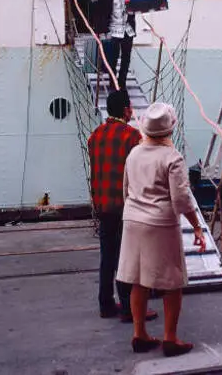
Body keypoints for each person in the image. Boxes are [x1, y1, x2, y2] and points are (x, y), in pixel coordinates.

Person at [116, 102, 206, 357]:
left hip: (133, 221)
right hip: (160, 224)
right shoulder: (172, 157)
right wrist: (197, 227)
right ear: (170, 130)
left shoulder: (134, 153)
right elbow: (181, 199)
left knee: (138, 280)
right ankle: (170, 338)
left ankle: (140, 333)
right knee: (172, 282)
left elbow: (125, 190)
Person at [88, 90, 157, 324]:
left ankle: (106, 304)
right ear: (127, 109)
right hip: (125, 206)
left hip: (102, 204)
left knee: (107, 255)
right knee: (127, 257)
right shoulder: (132, 136)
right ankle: (129, 308)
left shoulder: (95, 135)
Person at [91, 0, 136, 89]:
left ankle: (122, 82)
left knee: (126, 58)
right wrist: (98, 32)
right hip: (112, 30)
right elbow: (99, 14)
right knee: (113, 58)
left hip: (128, 30)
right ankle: (113, 83)